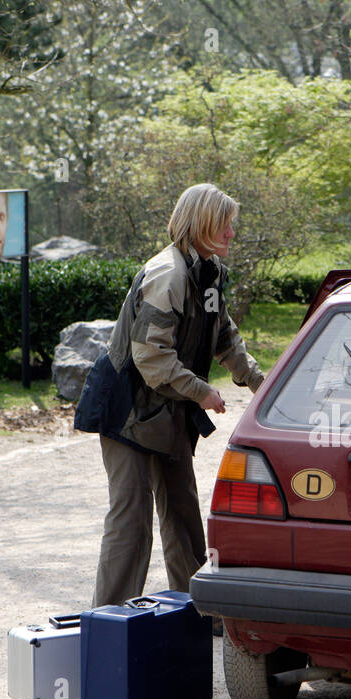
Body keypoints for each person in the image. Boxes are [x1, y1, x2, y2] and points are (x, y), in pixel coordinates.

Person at [74, 183, 263, 609]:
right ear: (202, 225)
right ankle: (108, 621)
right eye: (226, 225)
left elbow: (224, 335)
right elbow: (152, 358)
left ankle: (200, 611)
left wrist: (257, 381)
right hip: (128, 409)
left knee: (182, 512)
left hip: (167, 406)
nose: (233, 233)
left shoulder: (209, 270)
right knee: (131, 522)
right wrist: (202, 393)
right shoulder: (168, 274)